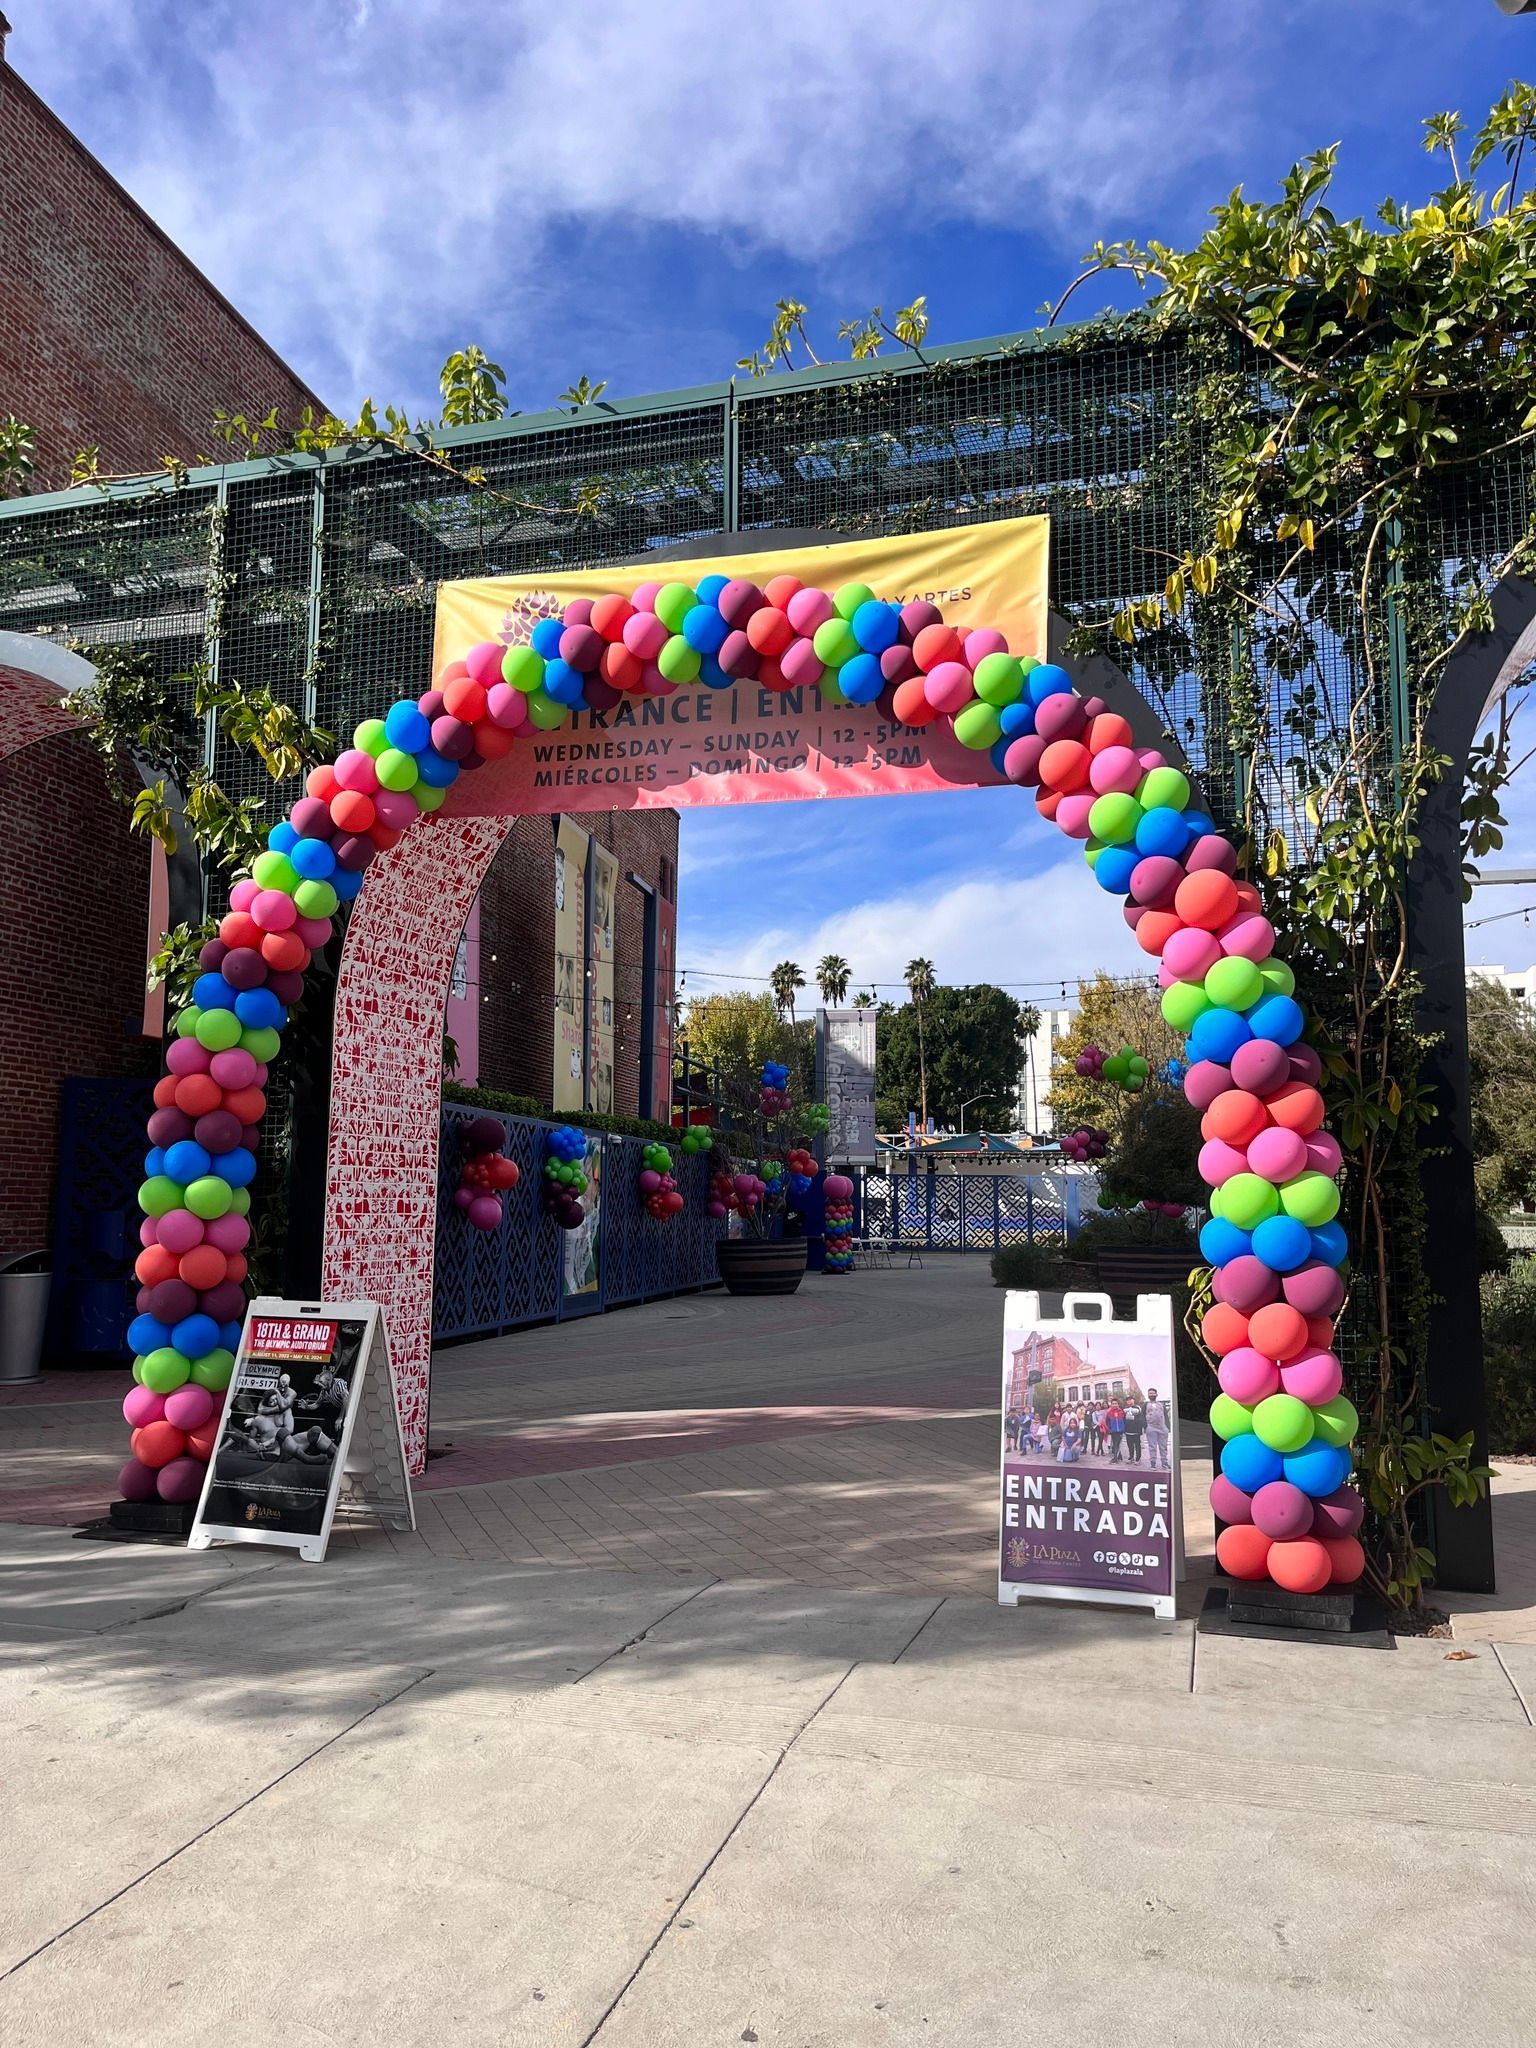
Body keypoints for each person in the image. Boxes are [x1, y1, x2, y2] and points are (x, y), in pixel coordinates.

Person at [1145, 1387, 1171, 1469]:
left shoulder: (1161, 1405)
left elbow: (1166, 1416)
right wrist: (1145, 1426)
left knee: (1163, 1447)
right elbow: (1142, 1416)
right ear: (1148, 1395)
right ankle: (1153, 1463)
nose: (1152, 1395)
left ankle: (1164, 1462)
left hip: (1162, 1428)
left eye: (1153, 1393)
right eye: (1150, 1393)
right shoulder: (1145, 1405)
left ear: (1156, 1394)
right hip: (1151, 1428)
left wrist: (1168, 1427)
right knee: (1152, 1447)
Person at [1123, 1394, 1146, 1464]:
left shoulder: (1138, 1408)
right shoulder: (1124, 1409)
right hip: (1128, 1430)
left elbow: (1141, 1418)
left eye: (1131, 1399)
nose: (1129, 1401)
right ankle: (1131, 1457)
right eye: (1128, 1400)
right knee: (1130, 1445)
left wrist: (1140, 1429)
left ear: (1133, 1400)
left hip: (1136, 1431)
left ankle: (1138, 1459)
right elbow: (1123, 1419)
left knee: (1137, 1445)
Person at [1105, 1396, 1126, 1462]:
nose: (1114, 1405)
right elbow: (1107, 1422)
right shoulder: (1109, 1412)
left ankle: (1115, 1458)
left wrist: (1123, 1429)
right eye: (1113, 1403)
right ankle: (1119, 1456)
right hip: (1113, 1431)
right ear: (1111, 1404)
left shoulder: (1121, 1412)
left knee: (1117, 1444)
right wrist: (1109, 1429)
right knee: (1115, 1444)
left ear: (1118, 1404)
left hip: (1120, 1431)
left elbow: (1124, 1421)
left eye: (1116, 1403)